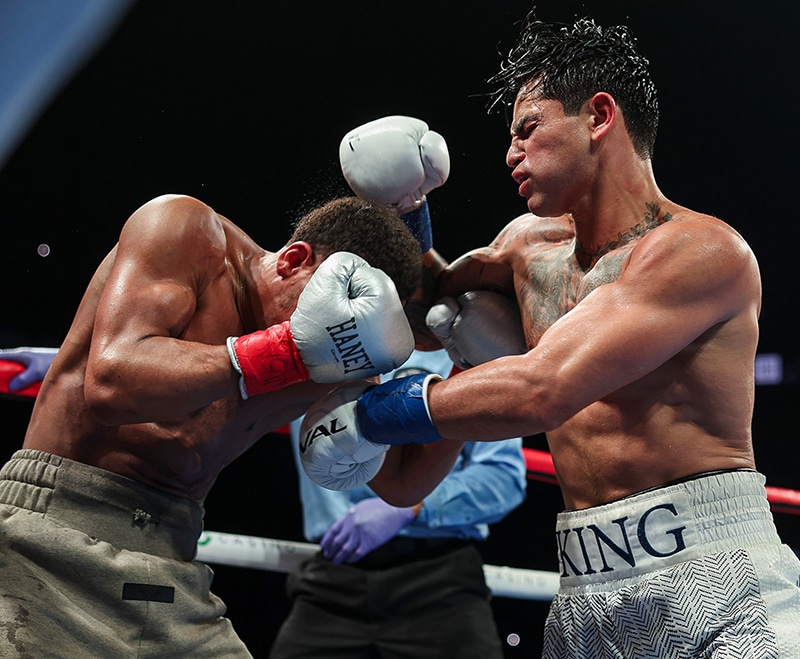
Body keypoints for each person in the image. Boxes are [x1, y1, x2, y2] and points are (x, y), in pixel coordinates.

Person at [299, 11, 800, 658]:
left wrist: (375, 415)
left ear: (598, 115)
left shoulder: (701, 252)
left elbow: (546, 388)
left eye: (527, 129)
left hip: (716, 579)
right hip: (584, 595)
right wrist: (404, 213)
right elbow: (422, 318)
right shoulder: (524, 247)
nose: (510, 153)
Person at [0, 192, 426, 658]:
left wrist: (470, 359)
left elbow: (402, 484)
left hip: (170, 554)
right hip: (49, 530)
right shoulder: (186, 231)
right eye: (334, 306)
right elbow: (111, 386)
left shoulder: (344, 356)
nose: (335, 332)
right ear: (294, 260)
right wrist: (281, 352)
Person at [270, 348, 527, 659]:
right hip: (333, 578)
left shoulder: (469, 352)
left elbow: (504, 478)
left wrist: (414, 508)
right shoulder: (324, 344)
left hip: (439, 581)